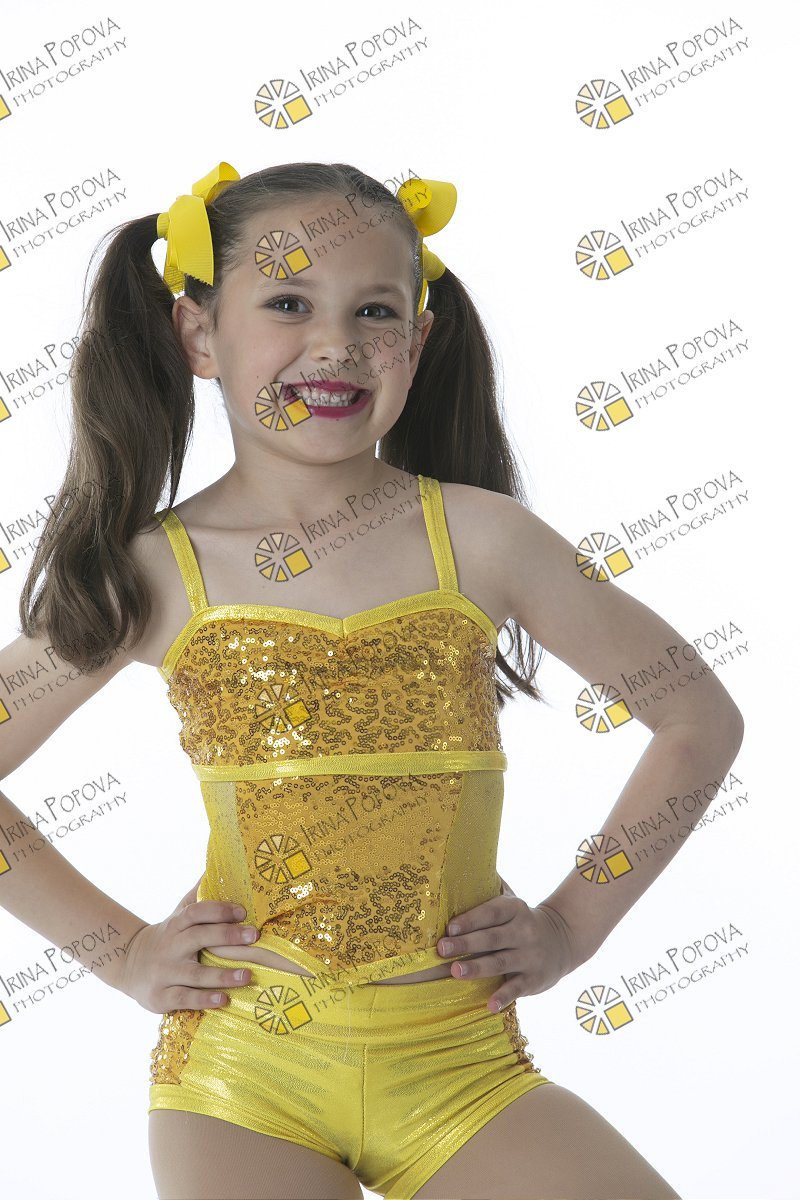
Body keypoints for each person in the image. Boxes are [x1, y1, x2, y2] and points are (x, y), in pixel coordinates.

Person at [0, 160, 744, 1200]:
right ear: (199, 335)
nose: (336, 344)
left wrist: (571, 924)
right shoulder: (157, 572)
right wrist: (123, 953)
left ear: (418, 340)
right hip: (243, 1076)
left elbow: (696, 718)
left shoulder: (485, 541)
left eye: (375, 311)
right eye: (288, 303)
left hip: (461, 1068)